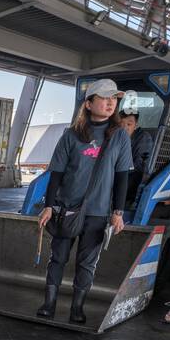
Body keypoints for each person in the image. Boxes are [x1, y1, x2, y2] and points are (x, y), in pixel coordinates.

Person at [35, 78, 133, 324]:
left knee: (87, 262)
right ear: (88, 103)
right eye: (104, 98)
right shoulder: (71, 135)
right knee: (57, 257)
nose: (111, 102)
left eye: (114, 99)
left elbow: (122, 177)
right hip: (66, 209)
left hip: (98, 212)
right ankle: (49, 303)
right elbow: (56, 173)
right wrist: (48, 206)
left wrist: (118, 212)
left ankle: (77, 307)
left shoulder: (120, 136)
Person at [117, 105, 155, 200]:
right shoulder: (115, 136)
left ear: (136, 126)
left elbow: (139, 165)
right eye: (121, 123)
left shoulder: (144, 138)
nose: (124, 127)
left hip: (131, 178)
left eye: (129, 124)